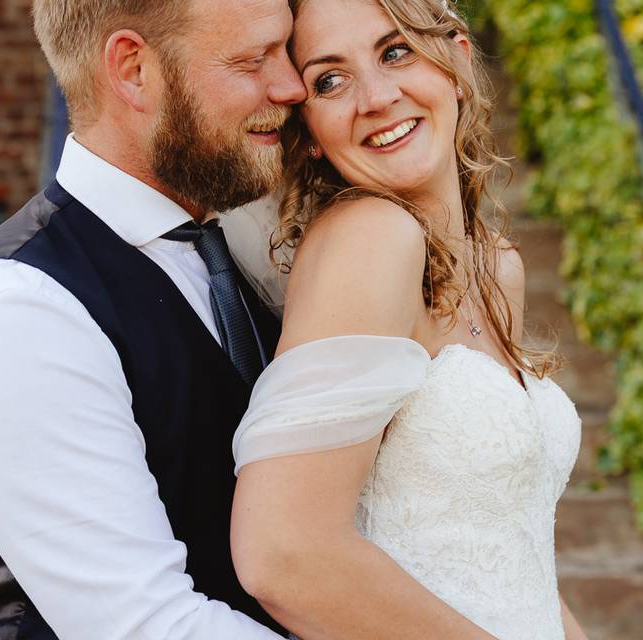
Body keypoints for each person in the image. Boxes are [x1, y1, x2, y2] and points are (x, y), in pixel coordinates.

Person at [0, 1, 306, 637]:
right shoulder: (17, 311)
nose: (292, 86)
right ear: (133, 70)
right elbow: (142, 624)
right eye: (252, 60)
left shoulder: (246, 249)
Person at [230, 0, 588, 639]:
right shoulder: (369, 239)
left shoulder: (498, 266)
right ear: (307, 128)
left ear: (457, 60)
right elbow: (284, 553)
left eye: (395, 51)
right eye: (329, 81)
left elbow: (513, 550)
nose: (376, 97)